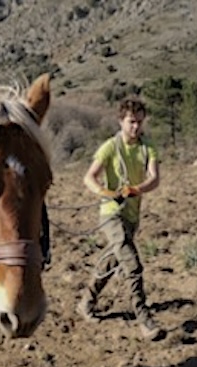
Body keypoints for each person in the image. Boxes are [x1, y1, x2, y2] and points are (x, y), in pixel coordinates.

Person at [76, 97, 165, 341]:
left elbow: (154, 178)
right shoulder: (109, 147)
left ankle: (86, 303)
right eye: (130, 122)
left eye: (139, 122)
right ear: (121, 121)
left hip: (131, 214)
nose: (135, 127)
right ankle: (143, 317)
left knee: (111, 262)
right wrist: (106, 193)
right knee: (132, 265)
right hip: (111, 214)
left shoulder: (148, 147)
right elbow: (89, 178)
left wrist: (137, 190)